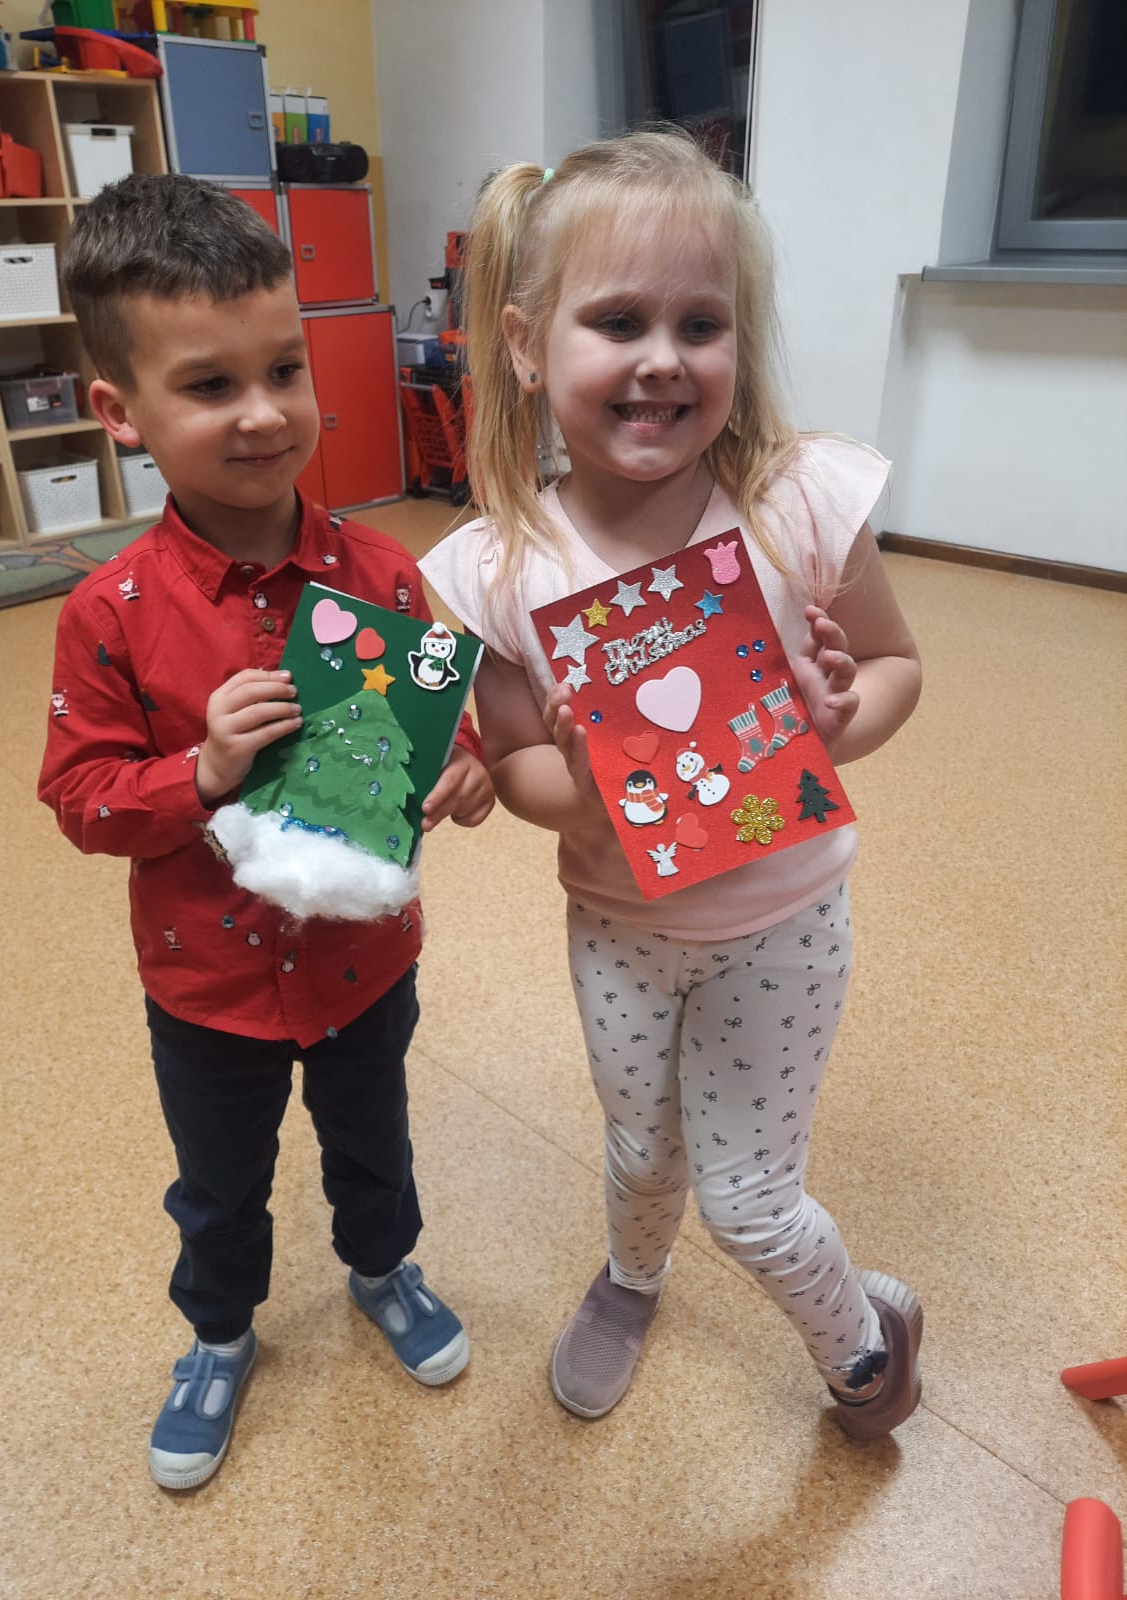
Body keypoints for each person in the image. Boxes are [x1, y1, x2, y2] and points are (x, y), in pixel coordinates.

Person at [420, 129, 923, 1437]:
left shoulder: (796, 507)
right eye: (617, 322)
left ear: (741, 343)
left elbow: (895, 667)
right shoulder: (503, 566)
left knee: (750, 1199)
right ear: (527, 347)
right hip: (620, 931)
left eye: (701, 325)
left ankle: (866, 1349)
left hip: (783, 921)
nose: (662, 358)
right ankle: (632, 1278)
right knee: (642, 1148)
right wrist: (584, 783)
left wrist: (836, 725)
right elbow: (519, 764)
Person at [38, 175, 494, 1491]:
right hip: (209, 986)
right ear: (119, 412)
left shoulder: (384, 576)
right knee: (220, 1184)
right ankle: (220, 1335)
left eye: (283, 369)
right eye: (209, 384)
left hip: (363, 961)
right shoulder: (110, 613)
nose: (261, 412)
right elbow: (80, 797)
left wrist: (463, 770)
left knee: (375, 1143)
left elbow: (437, 734)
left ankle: (382, 1269)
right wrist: (201, 769)